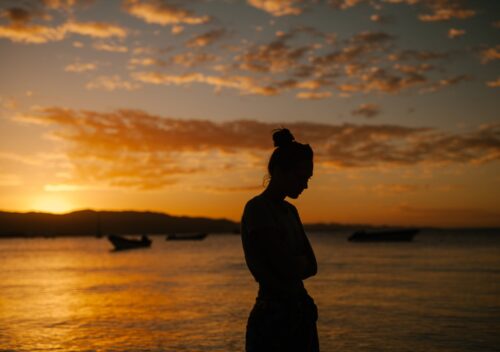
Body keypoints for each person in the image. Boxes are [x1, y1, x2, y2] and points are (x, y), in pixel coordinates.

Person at [241, 128, 319, 352]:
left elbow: (312, 266)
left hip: (300, 313)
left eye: (308, 178)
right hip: (273, 318)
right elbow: (283, 265)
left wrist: (294, 263)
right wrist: (295, 263)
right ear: (279, 171)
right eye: (301, 177)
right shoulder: (257, 209)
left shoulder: (290, 212)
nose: (305, 185)